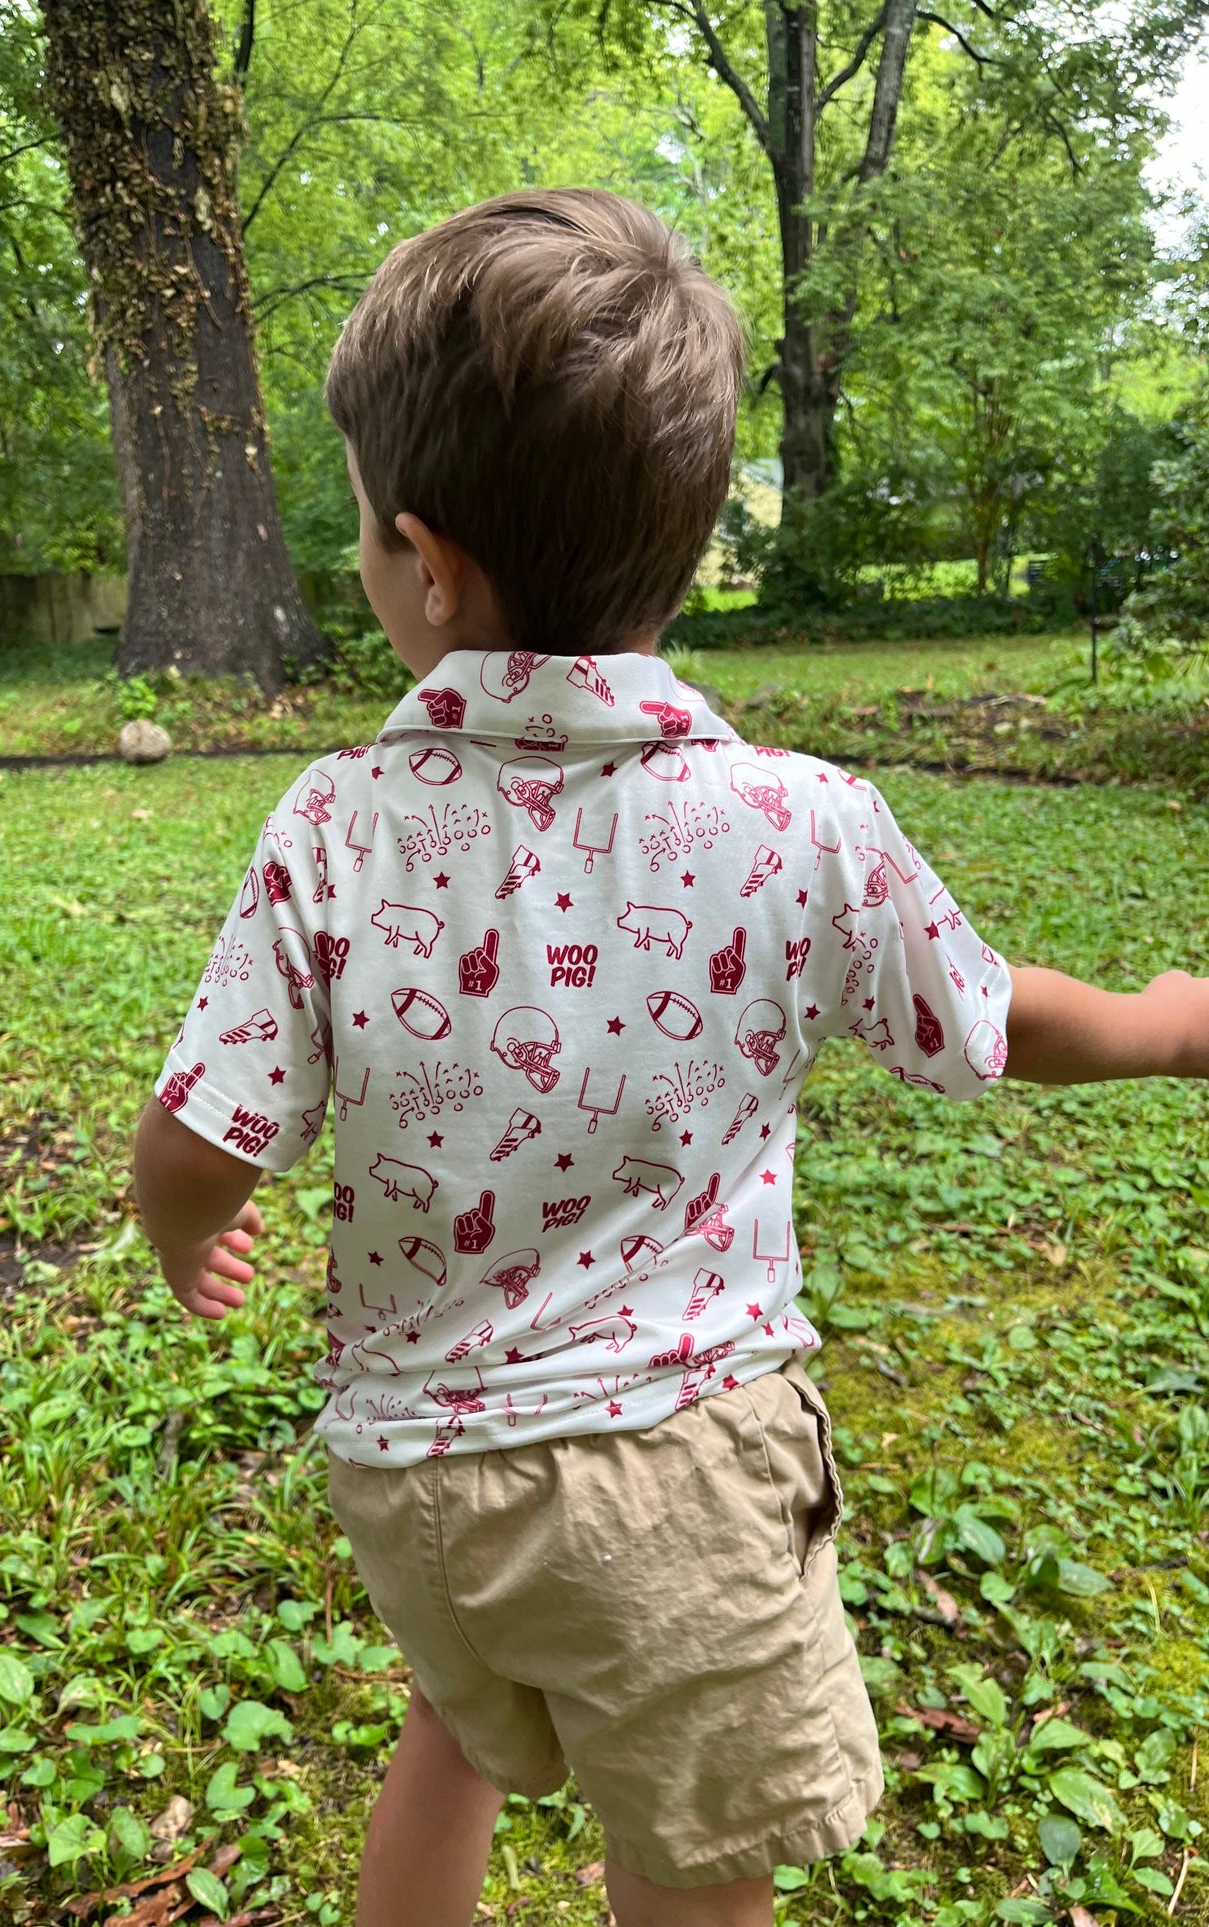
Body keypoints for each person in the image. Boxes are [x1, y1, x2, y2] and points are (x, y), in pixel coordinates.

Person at [133, 190, 1209, 1926]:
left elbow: (197, 1141)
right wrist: (1172, 1022)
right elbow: (999, 1024)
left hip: (422, 1484)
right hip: (682, 1478)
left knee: (455, 1737)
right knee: (696, 1853)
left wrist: (186, 1235)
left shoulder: (333, 825)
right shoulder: (799, 825)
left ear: (427, 561)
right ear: (689, 539)